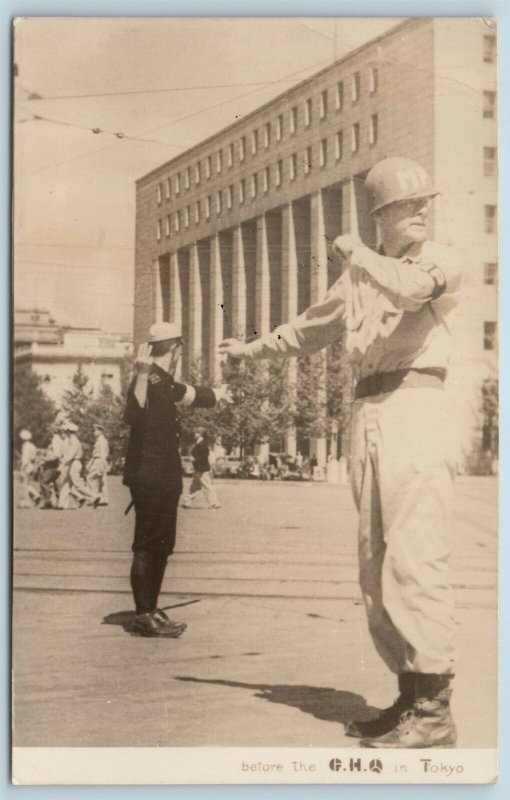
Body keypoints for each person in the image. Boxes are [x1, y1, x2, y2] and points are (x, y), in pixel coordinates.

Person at [219, 157, 462, 749]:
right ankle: (409, 696)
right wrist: (249, 351)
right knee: (375, 565)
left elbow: (406, 289)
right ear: (381, 214)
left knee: (416, 557)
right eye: (409, 204)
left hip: (417, 406)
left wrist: (355, 251)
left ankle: (435, 708)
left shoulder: (439, 260)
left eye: (426, 201)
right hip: (369, 413)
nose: (422, 211)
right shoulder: (359, 274)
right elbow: (312, 328)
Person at [123, 321, 232, 638]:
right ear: (176, 348)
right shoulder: (147, 378)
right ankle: (143, 615)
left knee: (161, 545)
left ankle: (150, 609)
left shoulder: (164, 381)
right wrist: (141, 374)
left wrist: (221, 395)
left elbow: (189, 394)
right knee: (148, 545)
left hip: (163, 476)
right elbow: (133, 415)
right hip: (150, 476)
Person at [59, 422, 99, 508]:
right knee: (65, 484)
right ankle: (62, 504)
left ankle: (94, 496)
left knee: (77, 485)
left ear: (70, 432)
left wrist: (62, 463)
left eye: (66, 431)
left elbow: (70, 455)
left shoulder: (74, 441)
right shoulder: (72, 440)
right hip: (72, 463)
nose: (65, 433)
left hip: (74, 463)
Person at [182, 427, 221, 509]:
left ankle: (215, 503)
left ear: (200, 434)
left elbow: (204, 456)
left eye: (196, 433)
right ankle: (187, 502)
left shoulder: (202, 443)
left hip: (202, 469)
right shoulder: (198, 443)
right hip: (198, 468)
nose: (194, 434)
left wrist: (195, 459)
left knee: (206, 486)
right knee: (194, 486)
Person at [87, 423, 110, 505]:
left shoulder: (102, 441)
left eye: (95, 431)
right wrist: (90, 463)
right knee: (102, 481)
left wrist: (102, 465)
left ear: (100, 431)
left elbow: (103, 454)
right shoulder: (99, 440)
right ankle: (103, 499)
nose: (94, 433)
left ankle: (93, 498)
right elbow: (94, 454)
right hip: (97, 460)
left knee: (90, 478)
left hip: (99, 461)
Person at [18, 429, 41, 508]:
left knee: (23, 484)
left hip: (26, 466)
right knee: (28, 483)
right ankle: (36, 495)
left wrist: (23, 468)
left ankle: (25, 502)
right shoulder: (32, 446)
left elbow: (25, 458)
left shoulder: (25, 446)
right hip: (32, 466)